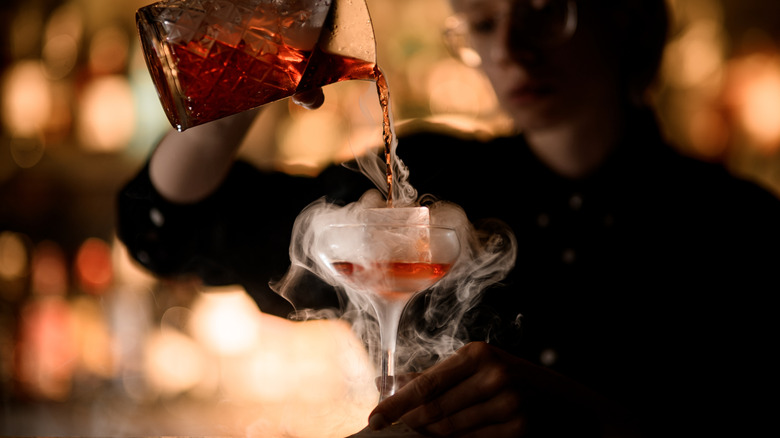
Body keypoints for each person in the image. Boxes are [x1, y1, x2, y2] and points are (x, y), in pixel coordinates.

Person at [117, 0, 780, 436]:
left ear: (627, 19)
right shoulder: (425, 178)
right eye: (485, 25)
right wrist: (253, 62)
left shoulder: (741, 230)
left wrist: (588, 419)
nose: (512, 49)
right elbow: (169, 230)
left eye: (546, 11)